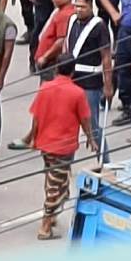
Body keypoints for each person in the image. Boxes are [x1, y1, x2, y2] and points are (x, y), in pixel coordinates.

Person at [29, 59, 97, 240]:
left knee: (53, 180)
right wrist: (91, 138)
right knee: (56, 185)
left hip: (45, 143)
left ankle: (50, 216)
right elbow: (85, 120)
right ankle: (45, 225)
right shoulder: (77, 93)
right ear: (73, 72)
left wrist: (32, 138)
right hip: (63, 147)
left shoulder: (45, 88)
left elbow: (36, 117)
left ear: (57, 69)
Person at [62, 0, 113, 153]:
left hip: (91, 81)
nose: (79, 10)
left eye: (83, 7)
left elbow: (106, 56)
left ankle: (104, 161)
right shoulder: (71, 20)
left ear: (91, 7)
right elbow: (67, 44)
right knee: (69, 123)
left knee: (92, 124)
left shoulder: (99, 26)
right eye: (76, 6)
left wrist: (108, 84)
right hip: (71, 78)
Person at [33, 0, 76, 79]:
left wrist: (45, 57)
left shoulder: (65, 15)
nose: (53, 0)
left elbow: (61, 41)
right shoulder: (60, 11)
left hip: (51, 62)